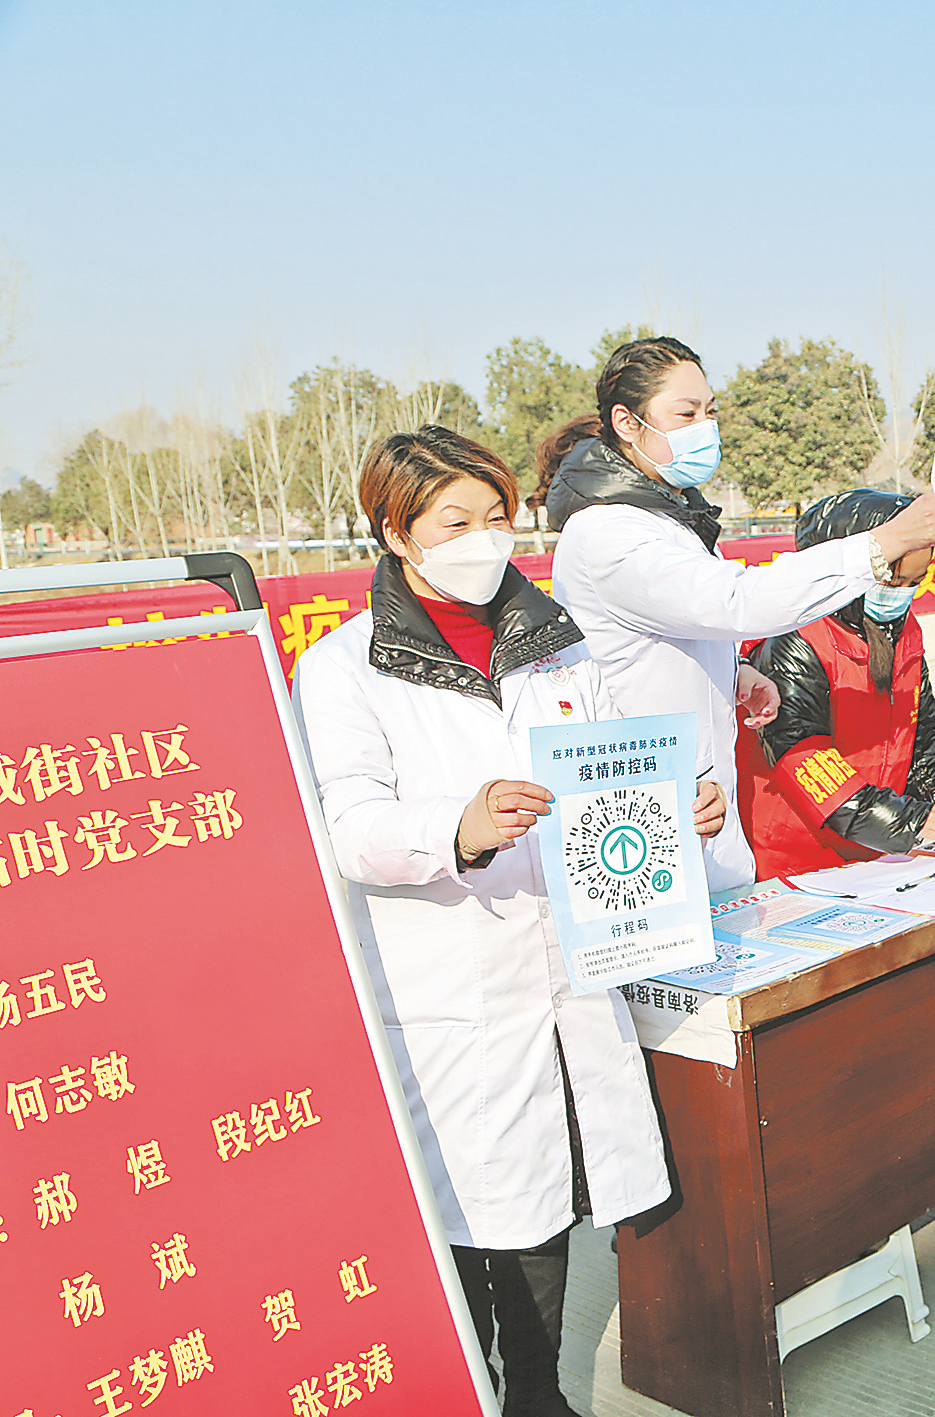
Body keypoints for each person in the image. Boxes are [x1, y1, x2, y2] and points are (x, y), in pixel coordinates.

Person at [296, 427, 695, 1417]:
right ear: (394, 532)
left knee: (545, 1194)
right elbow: (350, 827)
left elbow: (609, 766)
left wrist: (672, 805)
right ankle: (467, 1386)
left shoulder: (559, 642)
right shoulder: (343, 668)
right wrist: (457, 828)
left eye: (495, 517)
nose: (483, 540)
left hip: (569, 959)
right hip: (454, 975)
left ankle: (537, 1391)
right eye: (453, 522)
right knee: (472, 1205)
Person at [540, 336, 935, 890]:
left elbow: (674, 632)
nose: (705, 427)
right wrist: (883, 544)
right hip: (642, 818)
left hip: (704, 807)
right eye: (686, 414)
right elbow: (736, 602)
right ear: (627, 423)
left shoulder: (671, 521)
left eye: (710, 411)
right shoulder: (609, 532)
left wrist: (733, 671)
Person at [738, 487, 935, 877]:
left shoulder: (902, 634)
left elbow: (923, 752)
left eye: (914, 582)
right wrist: (907, 821)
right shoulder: (796, 637)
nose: (901, 595)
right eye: (892, 581)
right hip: (795, 858)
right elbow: (804, 757)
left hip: (874, 849)